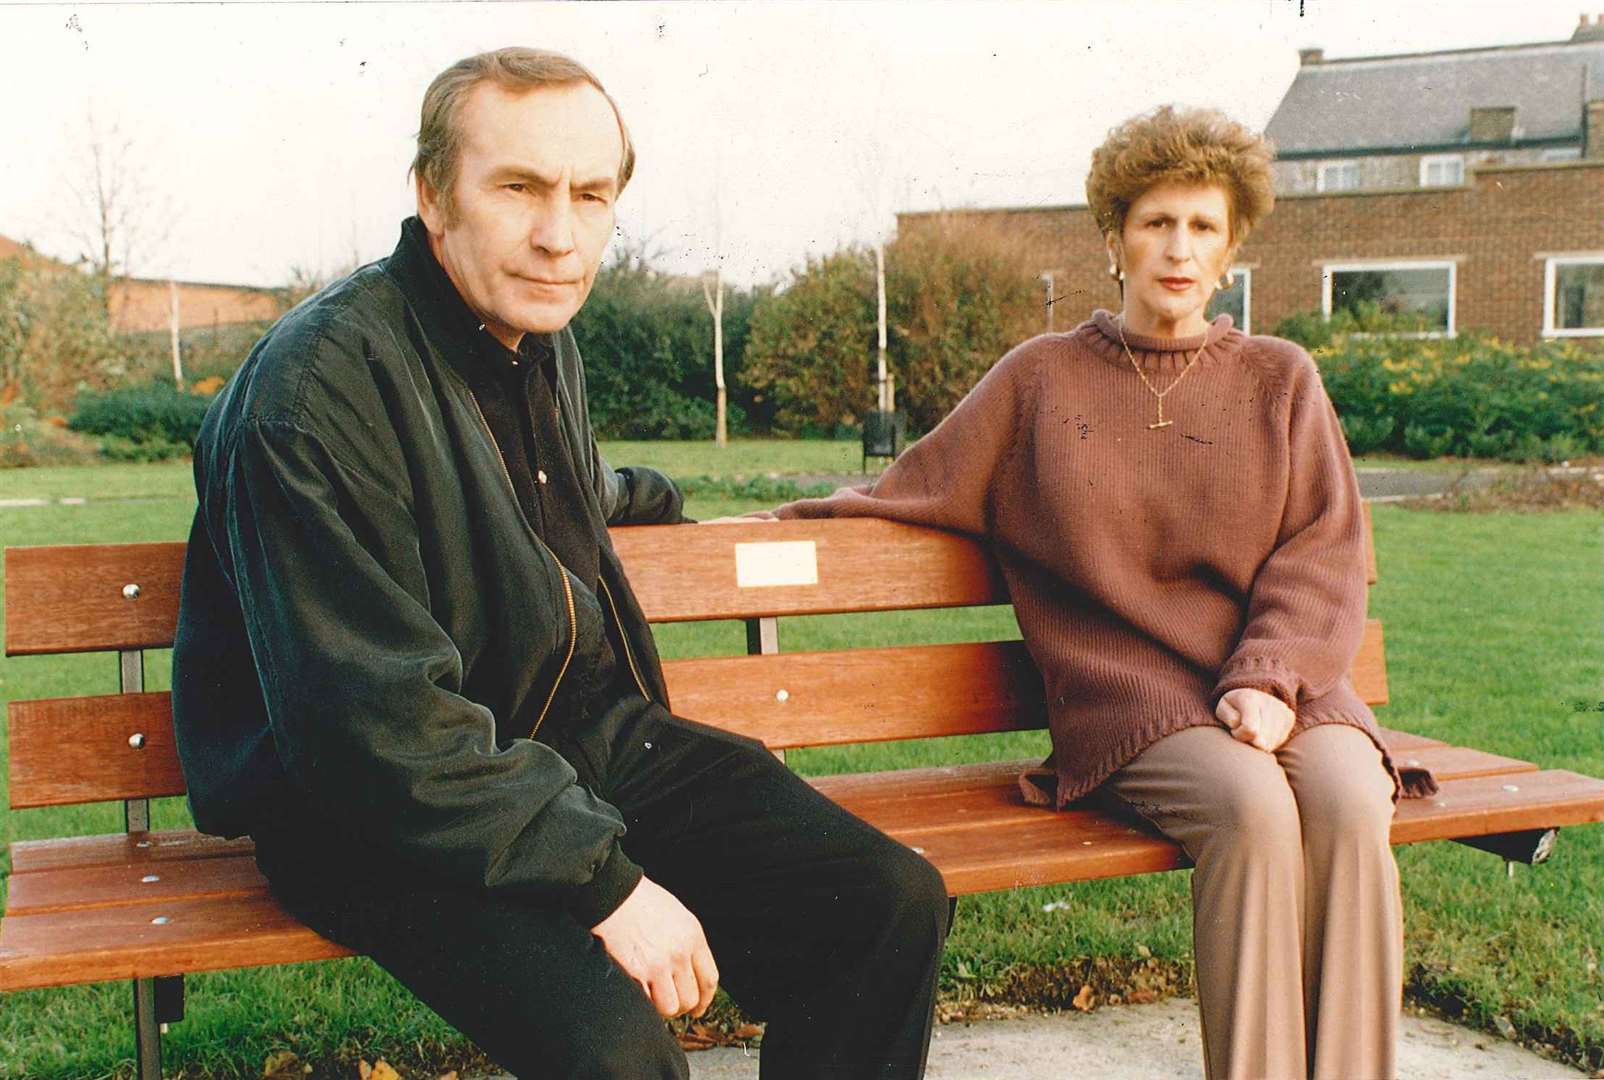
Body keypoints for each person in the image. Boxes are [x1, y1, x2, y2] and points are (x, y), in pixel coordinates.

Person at [171, 47, 948, 1080]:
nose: (558, 234)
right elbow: (369, 733)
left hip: (570, 743)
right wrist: (609, 887)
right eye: (519, 188)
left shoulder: (529, 333)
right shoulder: (315, 395)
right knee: (615, 1054)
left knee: (883, 903)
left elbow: (535, 489)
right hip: (382, 810)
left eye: (590, 195)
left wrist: (656, 500)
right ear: (432, 197)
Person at [770, 106, 1436, 1080]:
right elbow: (909, 484)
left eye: (1202, 227)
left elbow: (1323, 548)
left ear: (1230, 247)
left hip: (1284, 688)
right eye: (1154, 223)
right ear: (1113, 238)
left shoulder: (1278, 378)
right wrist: (780, 524)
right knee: (1249, 810)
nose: (1176, 249)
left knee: (1346, 799)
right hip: (1134, 705)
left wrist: (1268, 675)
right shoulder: (1039, 380)